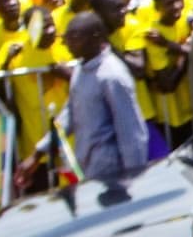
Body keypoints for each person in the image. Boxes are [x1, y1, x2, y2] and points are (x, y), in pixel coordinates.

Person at [64, 13, 151, 188]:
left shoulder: (112, 75)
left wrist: (135, 178)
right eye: (67, 39)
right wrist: (38, 152)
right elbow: (71, 110)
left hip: (111, 170)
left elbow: (131, 131)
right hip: (88, 165)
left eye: (75, 38)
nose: (68, 44)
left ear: (95, 36)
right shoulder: (81, 70)